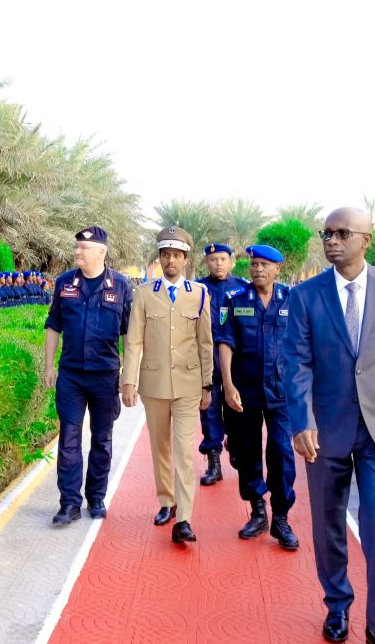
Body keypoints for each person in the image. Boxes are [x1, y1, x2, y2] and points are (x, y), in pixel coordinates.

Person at [283, 207, 375, 644]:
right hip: (325, 430)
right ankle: (337, 605)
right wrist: (301, 420)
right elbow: (297, 364)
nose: (331, 240)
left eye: (342, 233)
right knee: (328, 521)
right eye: (326, 233)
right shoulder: (305, 295)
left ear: (367, 239)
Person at [121, 226, 213, 544]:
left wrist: (207, 384)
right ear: (159, 258)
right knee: (160, 448)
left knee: (184, 451)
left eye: (176, 255)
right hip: (154, 384)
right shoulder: (144, 294)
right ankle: (167, 501)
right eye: (165, 255)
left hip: (188, 385)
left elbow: (205, 343)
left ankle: (184, 519)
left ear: (185, 259)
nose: (170, 260)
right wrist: (128, 380)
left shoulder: (199, 294)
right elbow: (134, 341)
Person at [44, 226, 133, 526]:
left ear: (101, 252)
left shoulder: (120, 285)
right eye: (77, 247)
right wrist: (48, 366)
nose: (77, 251)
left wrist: (127, 374)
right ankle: (69, 502)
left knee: (102, 438)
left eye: (84, 247)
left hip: (105, 376)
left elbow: (130, 334)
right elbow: (53, 325)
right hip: (71, 375)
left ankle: (96, 497)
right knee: (69, 437)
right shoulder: (65, 282)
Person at [215, 244, 299, 549]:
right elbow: (225, 343)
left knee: (282, 453)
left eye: (265, 265)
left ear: (278, 269)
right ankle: (258, 511)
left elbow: (303, 345)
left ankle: (281, 518)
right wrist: (228, 385)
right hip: (245, 391)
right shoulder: (235, 300)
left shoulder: (291, 299)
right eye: (254, 265)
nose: (258, 269)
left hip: (281, 392)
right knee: (247, 453)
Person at [195, 242, 249, 487]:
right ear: (207, 262)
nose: (218, 264)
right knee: (208, 411)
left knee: (237, 408)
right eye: (213, 260)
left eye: (223, 259)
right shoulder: (198, 289)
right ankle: (214, 463)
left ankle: (235, 444)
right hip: (206, 358)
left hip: (235, 359)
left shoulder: (243, 288)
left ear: (231, 262)